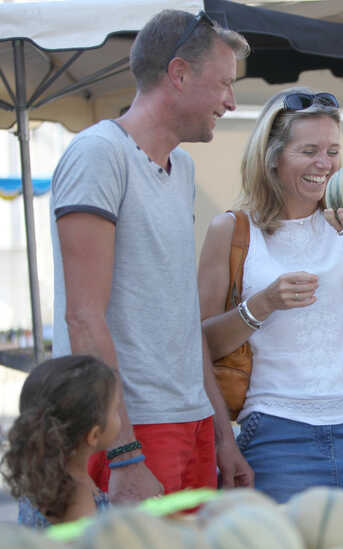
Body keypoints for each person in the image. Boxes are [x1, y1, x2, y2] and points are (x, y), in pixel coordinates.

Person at [50, 10, 254, 503]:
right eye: (224, 84)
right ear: (179, 74)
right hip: (130, 430)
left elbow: (182, 313)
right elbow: (83, 318)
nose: (230, 102)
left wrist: (222, 436)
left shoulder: (180, 168)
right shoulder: (99, 154)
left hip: (193, 422)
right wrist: (123, 455)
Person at [196, 86, 343, 536]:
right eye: (309, 150)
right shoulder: (232, 230)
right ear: (272, 157)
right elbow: (200, 343)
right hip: (275, 434)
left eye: (333, 150)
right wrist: (261, 305)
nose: (325, 163)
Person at [1, 356, 119, 527]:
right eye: (116, 410)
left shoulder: (40, 477)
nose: (119, 416)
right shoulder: (77, 496)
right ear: (94, 435)